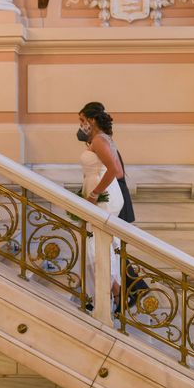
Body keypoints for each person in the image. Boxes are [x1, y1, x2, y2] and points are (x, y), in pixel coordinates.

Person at [78, 102, 147, 314]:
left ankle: (110, 294)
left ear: (91, 120)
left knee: (98, 245)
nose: (80, 126)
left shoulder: (99, 140)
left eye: (82, 120)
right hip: (99, 190)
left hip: (103, 195)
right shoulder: (99, 139)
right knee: (102, 244)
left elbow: (115, 171)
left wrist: (95, 192)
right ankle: (114, 293)